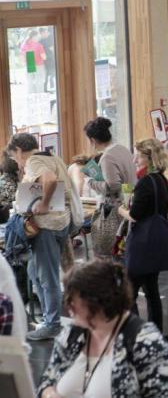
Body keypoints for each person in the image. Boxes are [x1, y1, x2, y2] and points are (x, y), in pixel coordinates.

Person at [37, 260, 168, 398]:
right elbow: (47, 379)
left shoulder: (146, 343)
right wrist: (49, 394)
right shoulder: (72, 333)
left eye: (72, 301)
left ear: (96, 301)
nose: (68, 308)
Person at [8, 133, 82, 341]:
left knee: (46, 276)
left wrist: (43, 203)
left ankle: (52, 324)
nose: (18, 162)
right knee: (35, 271)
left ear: (20, 151)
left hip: (47, 226)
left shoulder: (34, 161)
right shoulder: (52, 157)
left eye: (15, 157)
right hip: (61, 223)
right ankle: (51, 317)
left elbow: (48, 180)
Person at [117, 138, 168, 331]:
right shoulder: (162, 180)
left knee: (128, 292)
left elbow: (134, 216)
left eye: (138, 156)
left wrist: (121, 210)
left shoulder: (144, 183)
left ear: (148, 158)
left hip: (142, 243)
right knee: (152, 291)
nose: (134, 160)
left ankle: (135, 333)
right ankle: (156, 332)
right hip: (157, 241)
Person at [83, 116, 137, 256]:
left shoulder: (107, 157)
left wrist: (90, 182)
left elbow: (112, 186)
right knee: (124, 249)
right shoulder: (122, 149)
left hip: (113, 209)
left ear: (93, 140)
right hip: (128, 202)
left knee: (109, 252)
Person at [20, 29, 47, 94]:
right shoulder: (39, 45)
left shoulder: (24, 44)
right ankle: (39, 95)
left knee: (30, 82)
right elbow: (44, 57)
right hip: (38, 65)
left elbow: (22, 57)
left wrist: (24, 63)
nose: (39, 37)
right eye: (38, 36)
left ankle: (31, 96)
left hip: (29, 64)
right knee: (39, 81)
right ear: (34, 36)